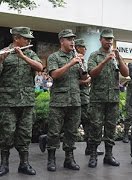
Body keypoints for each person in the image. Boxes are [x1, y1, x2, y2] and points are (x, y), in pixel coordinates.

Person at [0, 27, 43, 176]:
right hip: (7, 102)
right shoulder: (4, 52)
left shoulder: (30, 53)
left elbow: (40, 67)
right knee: (6, 133)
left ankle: (24, 164)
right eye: (25, 38)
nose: (28, 40)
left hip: (26, 101)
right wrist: (0, 61)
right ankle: (3, 164)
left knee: (25, 134)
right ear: (16, 38)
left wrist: (23, 56)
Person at [87, 28, 129, 168]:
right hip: (98, 98)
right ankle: (93, 155)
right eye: (106, 39)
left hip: (113, 99)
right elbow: (92, 73)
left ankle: (109, 155)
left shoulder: (115, 56)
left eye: (111, 39)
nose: (109, 42)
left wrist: (119, 58)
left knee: (111, 128)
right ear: (101, 40)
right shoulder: (94, 55)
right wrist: (105, 61)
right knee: (96, 127)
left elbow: (125, 73)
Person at [46, 29, 84, 172]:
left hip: (75, 100)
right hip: (58, 101)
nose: (72, 42)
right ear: (62, 41)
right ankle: (51, 159)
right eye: (69, 39)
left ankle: (69, 159)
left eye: (73, 39)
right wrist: (70, 63)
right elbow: (54, 74)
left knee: (71, 131)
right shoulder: (54, 57)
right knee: (54, 132)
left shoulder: (76, 56)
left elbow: (82, 78)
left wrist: (82, 67)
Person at [74, 39, 105, 156]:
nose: (85, 49)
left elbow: (88, 76)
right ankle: (46, 139)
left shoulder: (84, 61)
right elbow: (70, 80)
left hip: (84, 97)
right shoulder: (72, 60)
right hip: (73, 97)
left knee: (88, 123)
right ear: (77, 47)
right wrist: (85, 81)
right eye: (83, 47)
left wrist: (88, 79)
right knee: (69, 125)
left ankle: (90, 148)